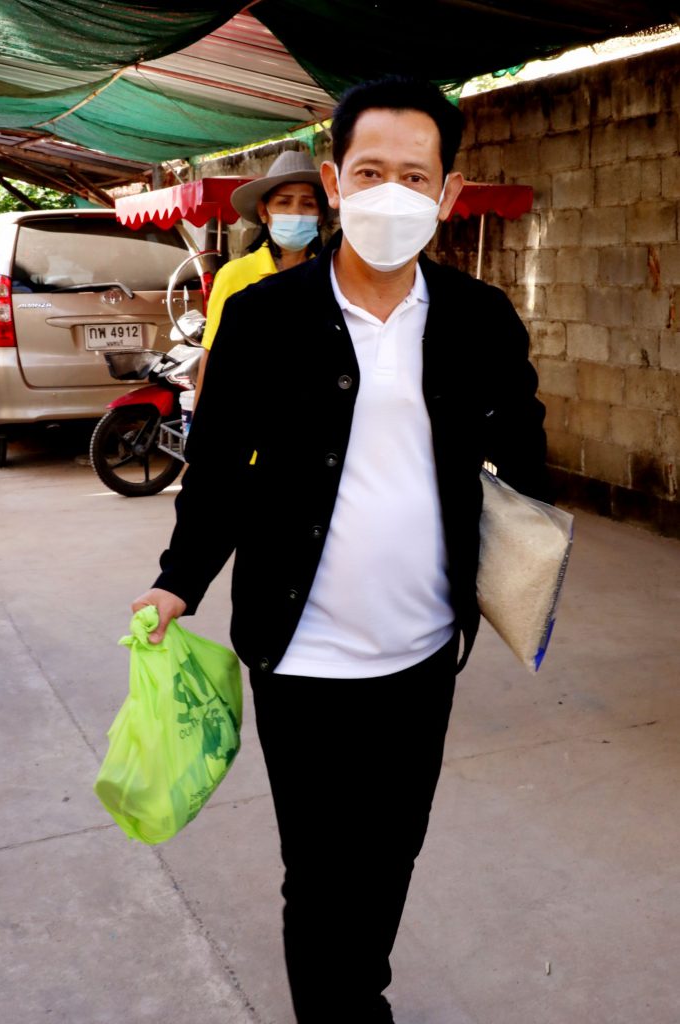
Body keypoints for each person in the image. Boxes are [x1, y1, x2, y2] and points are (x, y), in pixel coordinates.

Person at [133, 76, 551, 1024]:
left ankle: (361, 992)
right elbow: (218, 469)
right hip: (301, 654)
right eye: (369, 172)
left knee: (390, 854)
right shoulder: (263, 318)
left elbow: (524, 457)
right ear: (333, 181)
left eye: (415, 175)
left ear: (447, 192)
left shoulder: (479, 318)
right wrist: (177, 582)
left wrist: (524, 540)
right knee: (319, 873)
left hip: (423, 652)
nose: (390, 194)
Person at [193, 149, 327, 404]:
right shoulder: (234, 275)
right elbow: (211, 358)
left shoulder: (330, 278)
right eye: (284, 202)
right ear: (264, 211)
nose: (296, 212)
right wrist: (199, 424)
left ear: (320, 216)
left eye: (307, 204)